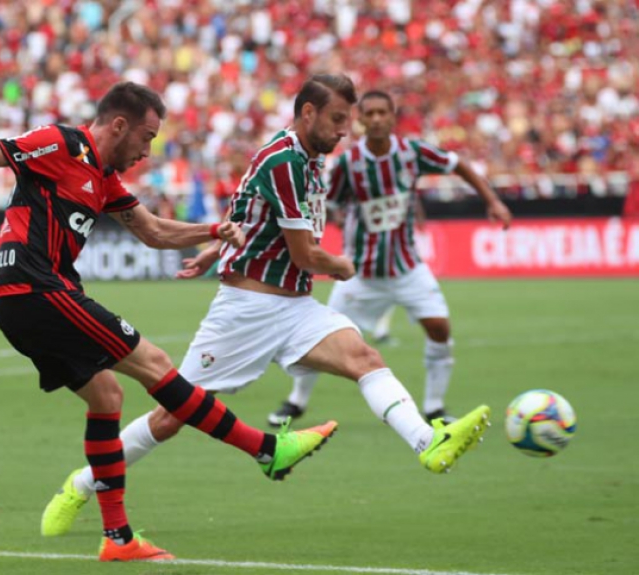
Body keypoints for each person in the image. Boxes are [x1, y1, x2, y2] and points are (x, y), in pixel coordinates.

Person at [0, 81, 338, 562]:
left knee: (107, 395)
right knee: (155, 362)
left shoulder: (104, 178)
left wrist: (210, 230)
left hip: (30, 294)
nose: (148, 149)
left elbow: (155, 232)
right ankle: (265, 450)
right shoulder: (60, 144)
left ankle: (118, 540)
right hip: (31, 286)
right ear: (119, 125)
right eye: (147, 136)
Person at [39, 75, 494, 540]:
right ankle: (79, 485)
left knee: (365, 359)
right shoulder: (284, 160)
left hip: (295, 306)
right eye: (338, 119)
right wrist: (338, 264)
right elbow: (303, 254)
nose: (345, 130)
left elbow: (246, 211)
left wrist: (217, 249)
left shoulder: (306, 159)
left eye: (348, 121)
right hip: (247, 310)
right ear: (309, 113)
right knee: (171, 417)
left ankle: (427, 441)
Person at [267, 90, 513, 427]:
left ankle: (435, 407)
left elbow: (459, 166)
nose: (378, 119)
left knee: (440, 328)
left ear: (393, 117)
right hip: (361, 273)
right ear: (361, 120)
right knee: (320, 339)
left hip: (407, 267)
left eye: (384, 112)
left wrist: (493, 201)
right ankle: (296, 401)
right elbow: (330, 203)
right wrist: (335, 220)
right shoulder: (349, 164)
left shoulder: (412, 152)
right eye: (371, 113)